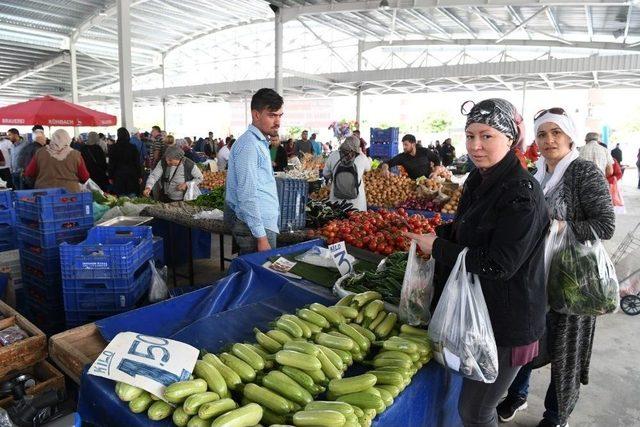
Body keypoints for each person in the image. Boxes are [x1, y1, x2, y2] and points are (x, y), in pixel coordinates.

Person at [406, 98, 549, 427]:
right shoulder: (478, 179)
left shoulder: (522, 193)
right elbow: (466, 229)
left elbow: (500, 263)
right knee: (471, 405)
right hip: (478, 312)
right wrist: (436, 235)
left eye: (486, 136)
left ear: (510, 139)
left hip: (506, 324)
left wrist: (440, 247)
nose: (475, 145)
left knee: (476, 410)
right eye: (470, 135)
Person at [498, 108, 615, 427]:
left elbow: (605, 225)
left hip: (574, 282)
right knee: (527, 340)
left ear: (569, 135)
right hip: (537, 277)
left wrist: (565, 227)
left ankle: (556, 414)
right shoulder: (538, 174)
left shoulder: (583, 172)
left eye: (556, 133)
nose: (549, 140)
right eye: (542, 134)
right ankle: (517, 395)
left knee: (566, 353)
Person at [225, 88, 282, 254]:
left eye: (280, 115)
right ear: (256, 115)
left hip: (262, 223)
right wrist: (261, 237)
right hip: (257, 228)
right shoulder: (249, 145)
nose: (277, 121)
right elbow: (247, 194)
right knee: (259, 275)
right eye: (272, 115)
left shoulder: (259, 142)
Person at [24, 129, 89, 192]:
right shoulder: (76, 155)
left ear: (53, 138)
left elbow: (29, 173)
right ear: (67, 139)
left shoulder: (40, 152)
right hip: (70, 195)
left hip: (44, 194)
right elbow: (85, 177)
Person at [322, 135, 371, 211]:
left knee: (337, 221)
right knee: (357, 220)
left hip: (337, 201)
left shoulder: (334, 155)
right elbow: (368, 168)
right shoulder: (361, 157)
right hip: (356, 203)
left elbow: (325, 174)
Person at [108, 128, 142, 196]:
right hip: (132, 176)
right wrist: (139, 175)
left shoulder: (113, 148)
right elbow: (137, 163)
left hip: (118, 176)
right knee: (132, 198)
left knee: (121, 199)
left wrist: (110, 176)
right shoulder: (133, 147)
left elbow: (111, 164)